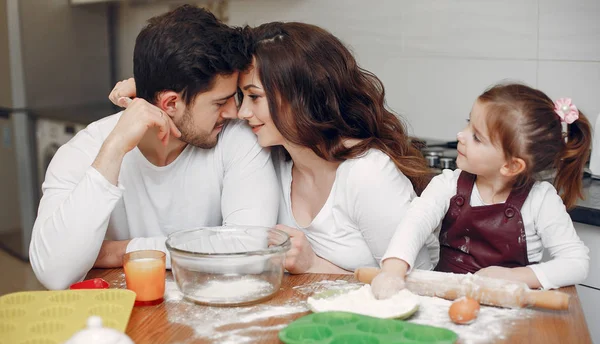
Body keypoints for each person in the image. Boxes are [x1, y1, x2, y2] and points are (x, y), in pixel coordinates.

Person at [111, 22, 439, 274]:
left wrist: (316, 266)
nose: (241, 113)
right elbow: (193, 94)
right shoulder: (275, 157)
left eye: (254, 97)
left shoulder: (367, 175)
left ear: (302, 97)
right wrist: (147, 90)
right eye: (240, 97)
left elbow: (419, 285)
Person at [29, 6, 279, 290]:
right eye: (220, 103)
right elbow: (53, 272)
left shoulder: (237, 139)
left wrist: (115, 251)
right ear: (171, 104)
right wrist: (114, 149)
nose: (236, 112)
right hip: (121, 320)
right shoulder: (85, 150)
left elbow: (249, 250)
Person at [372, 83, 591, 299]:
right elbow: (415, 222)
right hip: (446, 303)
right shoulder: (448, 184)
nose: (461, 135)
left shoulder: (541, 201)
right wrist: (393, 269)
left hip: (509, 313)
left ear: (511, 166)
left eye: (477, 136)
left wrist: (514, 277)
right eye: (469, 123)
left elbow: (576, 262)